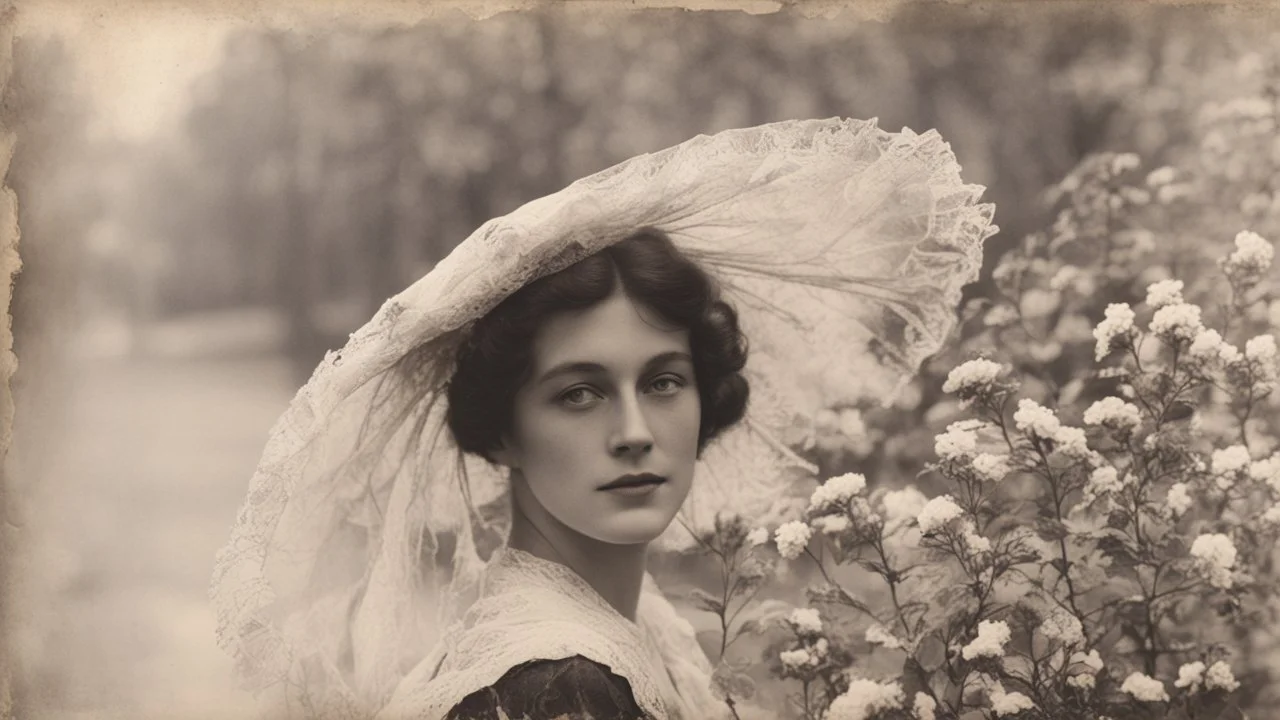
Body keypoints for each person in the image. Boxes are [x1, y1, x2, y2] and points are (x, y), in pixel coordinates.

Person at [210, 117, 997, 720]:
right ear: (504, 427)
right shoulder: (559, 681)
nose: (633, 430)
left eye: (662, 381)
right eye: (578, 393)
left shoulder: (631, 628)